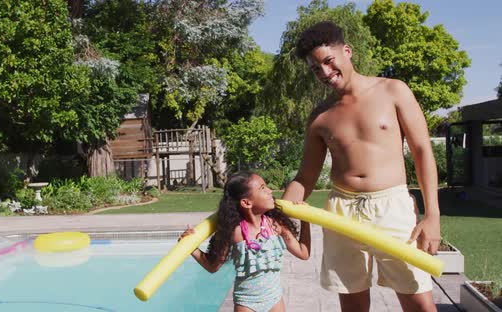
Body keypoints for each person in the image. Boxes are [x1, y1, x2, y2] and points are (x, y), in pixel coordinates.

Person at [282, 21, 441, 312]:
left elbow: (422, 151)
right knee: (353, 305)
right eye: (316, 69)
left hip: (391, 207)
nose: (325, 73)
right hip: (342, 212)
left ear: (347, 51)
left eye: (329, 62)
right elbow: (305, 176)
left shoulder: (393, 91)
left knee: (419, 303)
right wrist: (282, 207)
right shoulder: (320, 117)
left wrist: (432, 215)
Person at [180, 171, 311, 312]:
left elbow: (304, 253)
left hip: (274, 299)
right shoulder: (235, 232)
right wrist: (192, 248)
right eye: (262, 188)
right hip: (247, 303)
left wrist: (306, 219)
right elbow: (213, 266)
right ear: (246, 203)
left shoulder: (276, 225)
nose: (270, 190)